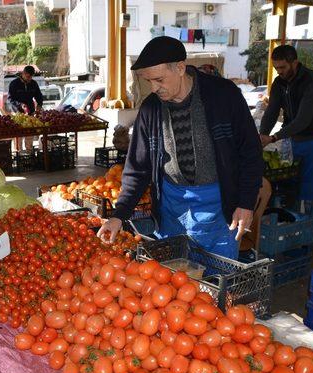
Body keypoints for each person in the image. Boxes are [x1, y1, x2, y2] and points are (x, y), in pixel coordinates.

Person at [97, 36, 263, 259]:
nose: (154, 88)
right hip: (171, 206)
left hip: (218, 205)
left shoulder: (223, 95)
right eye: (149, 81)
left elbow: (250, 151)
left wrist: (245, 202)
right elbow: (137, 169)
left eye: (159, 80)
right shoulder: (150, 110)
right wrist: (119, 215)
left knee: (214, 280)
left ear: (181, 68)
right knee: (173, 279)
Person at [259, 45, 313, 237]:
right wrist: (262, 135)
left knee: (311, 190)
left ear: (295, 62)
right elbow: (272, 112)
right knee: (291, 187)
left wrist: (274, 137)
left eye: (283, 67)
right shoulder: (279, 83)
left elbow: (303, 119)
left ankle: (309, 239)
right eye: (276, 68)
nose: (279, 72)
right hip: (294, 139)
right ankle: (291, 234)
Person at [8, 65, 44, 151]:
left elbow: (39, 96)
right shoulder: (14, 84)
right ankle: (18, 154)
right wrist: (20, 105)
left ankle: (29, 154)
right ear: (23, 74)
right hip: (17, 114)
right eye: (28, 77)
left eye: (31, 77)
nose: (29, 79)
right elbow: (10, 99)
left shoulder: (33, 84)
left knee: (29, 137)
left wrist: (39, 105)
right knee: (18, 138)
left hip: (30, 113)